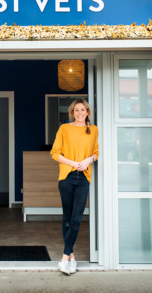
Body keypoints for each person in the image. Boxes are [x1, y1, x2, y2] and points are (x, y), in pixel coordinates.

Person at [50, 98, 99, 275]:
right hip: (67, 177)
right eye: (76, 110)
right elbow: (55, 153)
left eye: (83, 110)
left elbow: (96, 152)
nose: (80, 113)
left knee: (76, 219)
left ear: (88, 112)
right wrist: (74, 163)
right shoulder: (64, 128)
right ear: (72, 112)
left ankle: (65, 257)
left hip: (83, 178)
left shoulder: (93, 130)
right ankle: (70, 256)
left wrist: (87, 160)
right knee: (67, 218)